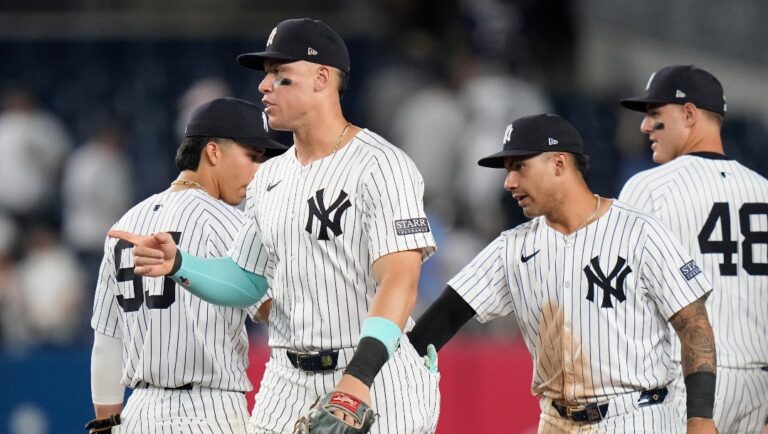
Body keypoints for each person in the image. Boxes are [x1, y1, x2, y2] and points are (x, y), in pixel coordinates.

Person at [109, 18, 441, 434]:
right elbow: (246, 280)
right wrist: (181, 265)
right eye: (266, 76)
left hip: (376, 373)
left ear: (322, 78)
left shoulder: (382, 165)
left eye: (281, 76)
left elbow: (400, 282)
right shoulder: (269, 176)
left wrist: (358, 378)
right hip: (287, 378)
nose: (264, 87)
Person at [407, 114, 719, 433]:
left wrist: (700, 417)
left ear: (558, 163)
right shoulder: (512, 248)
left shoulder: (639, 232)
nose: (509, 182)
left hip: (638, 418)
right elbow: (442, 318)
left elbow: (693, 324)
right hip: (557, 422)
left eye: (519, 166)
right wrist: (373, 375)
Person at [88, 97, 287, 434]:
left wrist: (107, 424)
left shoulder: (125, 224)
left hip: (138, 414)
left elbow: (107, 342)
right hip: (209, 411)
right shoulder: (232, 224)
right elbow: (280, 313)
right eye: (252, 157)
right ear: (213, 152)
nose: (259, 171)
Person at [618, 64, 768, 433]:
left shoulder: (649, 187)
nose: (644, 126)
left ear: (689, 114)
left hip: (685, 386)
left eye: (655, 114)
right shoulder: (764, 190)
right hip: (758, 388)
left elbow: (621, 303)